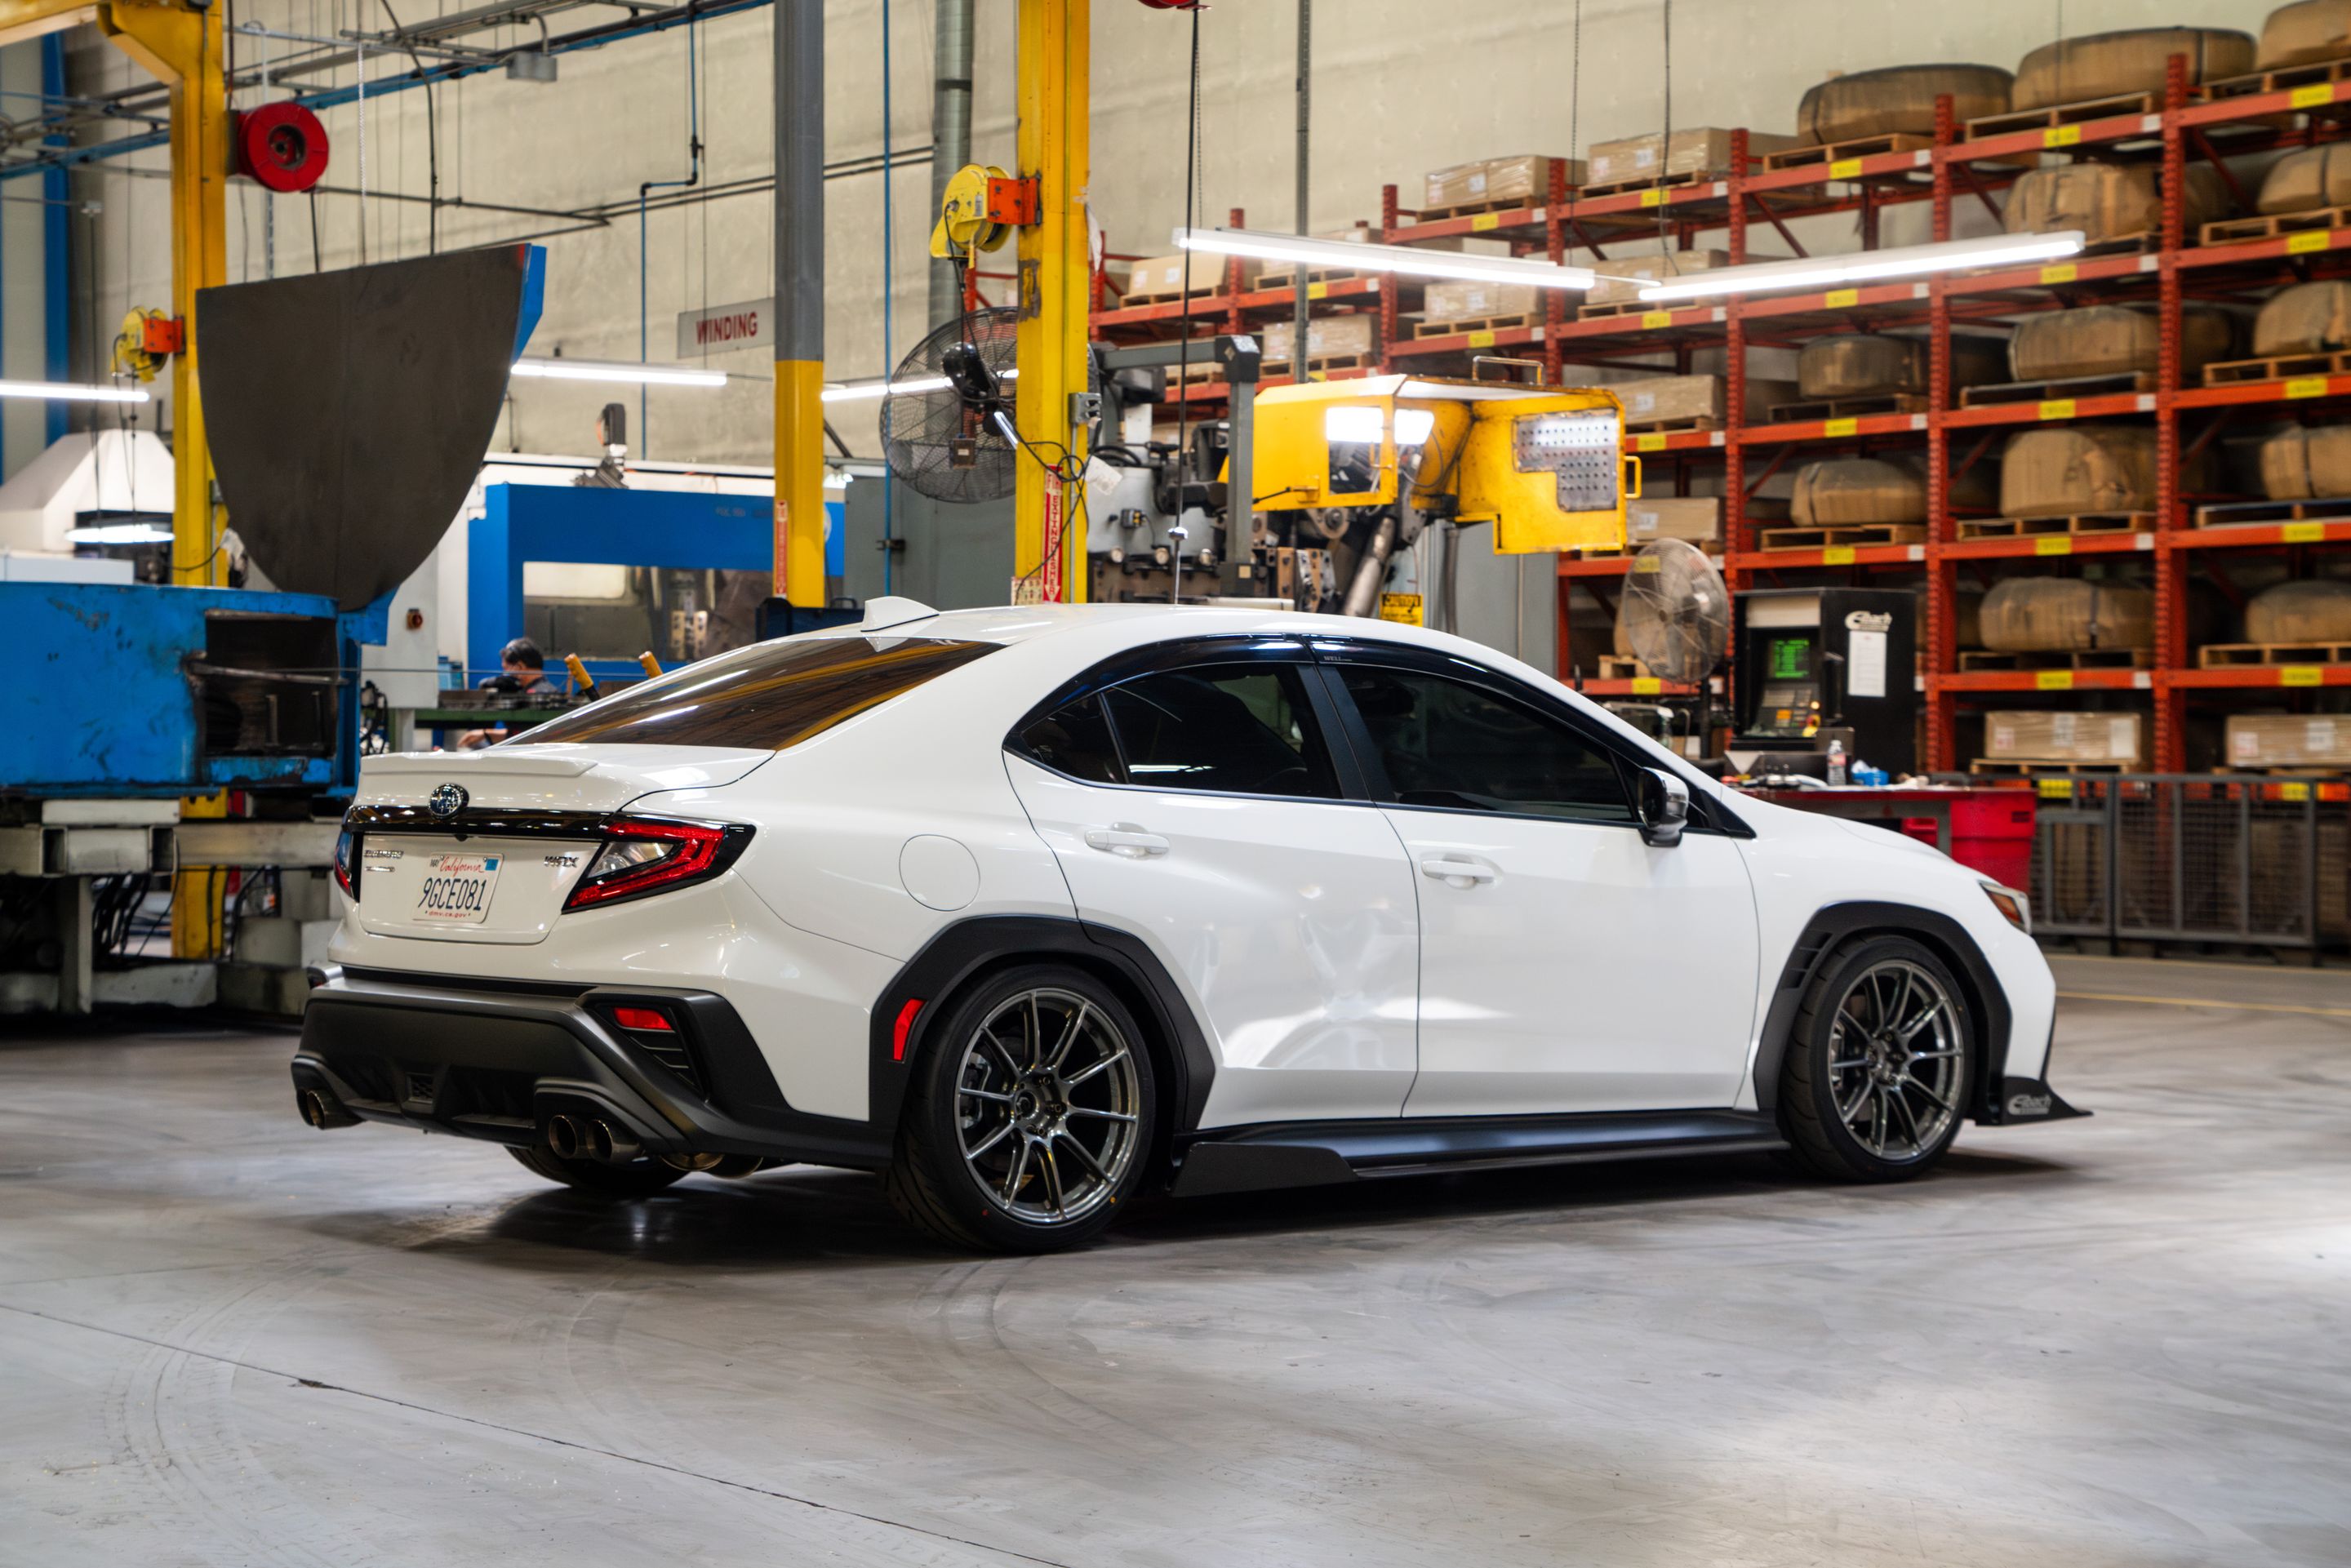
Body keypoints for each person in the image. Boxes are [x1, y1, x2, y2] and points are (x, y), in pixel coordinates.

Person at [457, 637, 562, 749]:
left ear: (519, 667)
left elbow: (529, 740)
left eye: (506, 669)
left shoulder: (534, 695)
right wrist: (485, 734)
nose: (504, 674)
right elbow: (521, 734)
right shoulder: (545, 690)